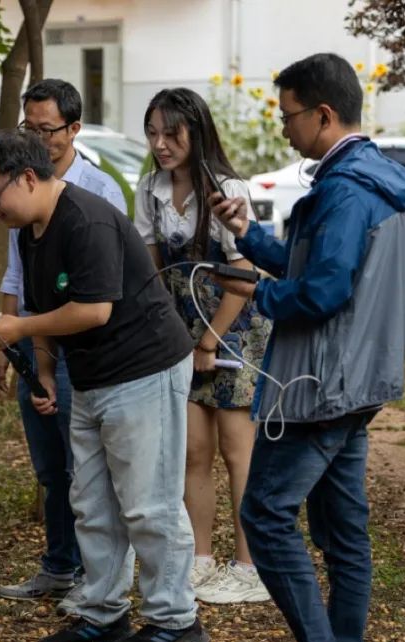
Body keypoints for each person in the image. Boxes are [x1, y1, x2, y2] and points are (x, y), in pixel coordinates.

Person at [210, 53, 405, 642]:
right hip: (356, 383)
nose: (284, 129)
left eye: (289, 115)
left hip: (322, 383)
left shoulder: (345, 190)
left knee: (265, 515)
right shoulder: (367, 179)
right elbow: (314, 265)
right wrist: (248, 237)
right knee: (342, 533)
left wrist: (260, 296)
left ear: (323, 114)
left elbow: (322, 292)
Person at [0, 131, 208, 642]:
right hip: (90, 376)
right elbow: (42, 306)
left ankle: (175, 618)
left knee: (148, 502)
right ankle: (102, 610)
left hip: (144, 367)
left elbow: (93, 310)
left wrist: (17, 330)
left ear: (27, 178)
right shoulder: (29, 231)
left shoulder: (87, 219)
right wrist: (44, 369)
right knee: (93, 501)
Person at [0, 79, 127, 602]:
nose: (38, 139)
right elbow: (17, 277)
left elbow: (102, 295)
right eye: (28, 128)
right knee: (50, 466)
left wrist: (25, 330)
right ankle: (59, 566)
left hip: (82, 345)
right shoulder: (17, 186)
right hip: (34, 337)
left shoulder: (99, 191)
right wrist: (9, 344)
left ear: (74, 129)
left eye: (47, 129)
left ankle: (100, 578)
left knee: (85, 467)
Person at [135, 88, 271, 605]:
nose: (160, 144)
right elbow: (154, 272)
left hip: (233, 329)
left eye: (172, 133)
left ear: (197, 132)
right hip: (180, 332)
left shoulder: (227, 189)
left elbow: (243, 277)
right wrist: (171, 336)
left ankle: (251, 567)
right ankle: (200, 559)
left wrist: (210, 341)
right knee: (192, 450)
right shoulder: (150, 190)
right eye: (153, 133)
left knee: (239, 451)